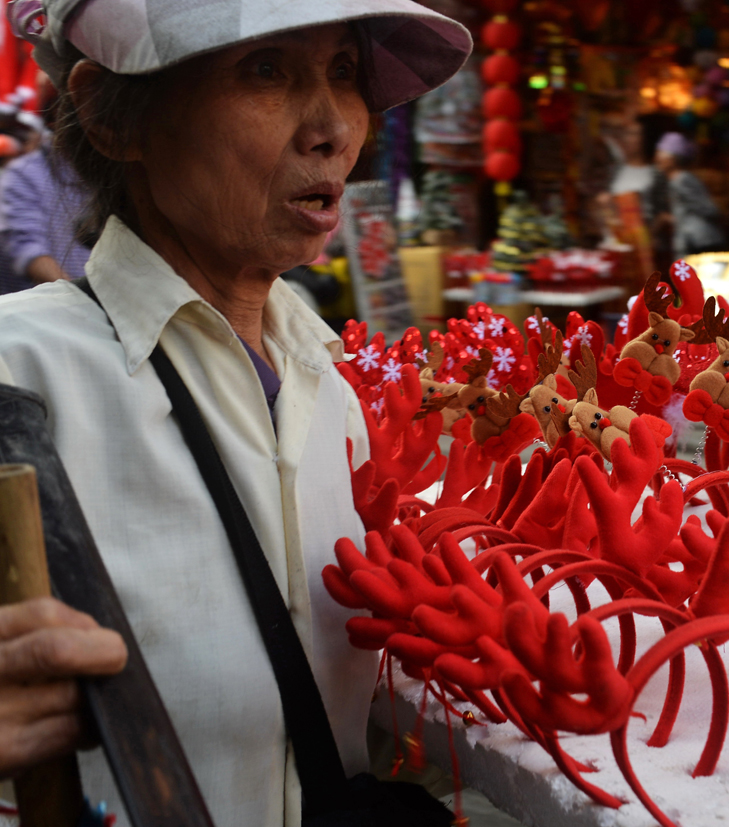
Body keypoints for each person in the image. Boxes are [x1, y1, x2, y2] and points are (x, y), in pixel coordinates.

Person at [0, 0, 470, 824]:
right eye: (266, 71)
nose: (333, 129)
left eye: (344, 72)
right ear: (115, 116)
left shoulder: (329, 385)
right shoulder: (19, 376)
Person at [0, 68, 91, 294]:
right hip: (50, 312)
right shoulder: (23, 174)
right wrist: (81, 298)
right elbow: (29, 253)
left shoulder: (107, 175)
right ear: (55, 117)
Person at [654, 131, 724, 259]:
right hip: (691, 241)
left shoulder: (682, 180)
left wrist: (673, 218)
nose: (657, 158)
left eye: (661, 154)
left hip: (699, 242)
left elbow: (708, 209)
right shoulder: (674, 180)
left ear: (673, 159)